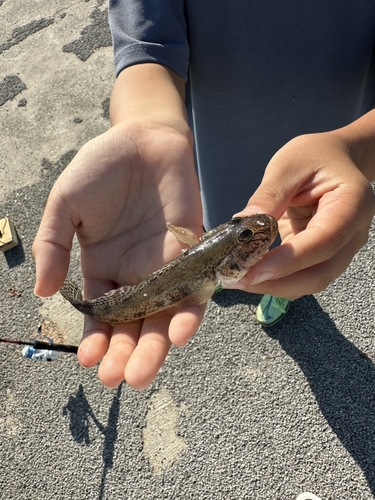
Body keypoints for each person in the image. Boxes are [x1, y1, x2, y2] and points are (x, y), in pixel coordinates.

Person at [33, 1, 375, 390]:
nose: (252, 231)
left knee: (293, 255)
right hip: (211, 182)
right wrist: (146, 120)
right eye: (244, 235)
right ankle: (251, 282)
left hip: (314, 185)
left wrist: (357, 147)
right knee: (241, 242)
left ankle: (272, 287)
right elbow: (145, 37)